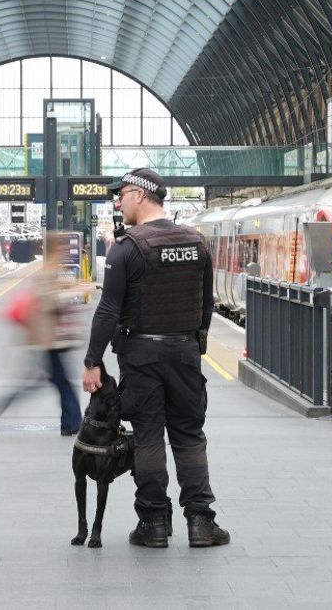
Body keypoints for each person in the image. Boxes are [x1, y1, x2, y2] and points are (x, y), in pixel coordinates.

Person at [80, 167, 229, 548]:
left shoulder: (127, 247)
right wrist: (195, 345)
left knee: (148, 437)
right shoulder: (196, 243)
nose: (118, 201)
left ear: (141, 195)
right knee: (189, 435)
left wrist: (92, 360)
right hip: (184, 352)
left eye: (122, 194)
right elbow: (206, 305)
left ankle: (154, 524)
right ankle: (200, 522)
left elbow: (109, 309)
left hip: (142, 354)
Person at [0, 232, 85, 435]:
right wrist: (74, 292)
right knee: (60, 383)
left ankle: (71, 423)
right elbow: (49, 301)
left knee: (52, 382)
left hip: (47, 340)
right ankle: (72, 424)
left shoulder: (52, 270)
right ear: (55, 249)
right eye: (62, 247)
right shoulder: (48, 271)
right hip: (48, 340)